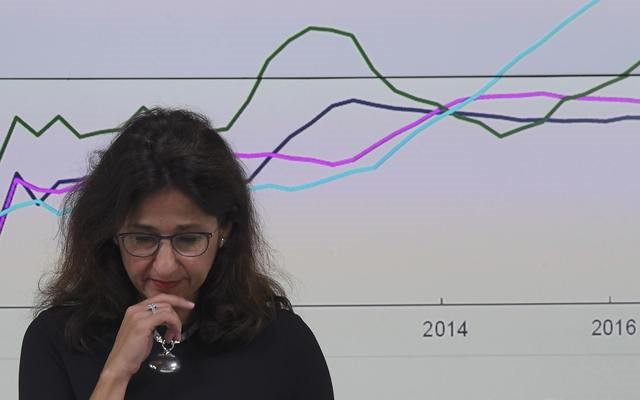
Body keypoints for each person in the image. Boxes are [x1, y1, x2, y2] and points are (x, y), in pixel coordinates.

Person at [18, 108, 334, 399]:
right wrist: (116, 374)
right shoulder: (57, 339)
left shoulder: (284, 343)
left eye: (188, 239)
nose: (166, 267)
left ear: (226, 229)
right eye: (142, 239)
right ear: (111, 231)